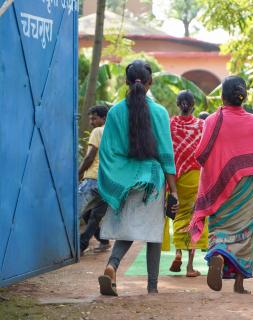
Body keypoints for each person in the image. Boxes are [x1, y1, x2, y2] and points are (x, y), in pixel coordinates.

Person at [189, 76, 253, 294]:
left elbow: (201, 154)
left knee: (219, 228)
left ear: (222, 96)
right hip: (246, 187)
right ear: (244, 96)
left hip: (219, 185)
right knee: (245, 231)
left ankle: (219, 254)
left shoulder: (212, 120)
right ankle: (239, 283)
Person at [97, 60, 178, 296]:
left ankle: (112, 265)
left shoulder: (114, 112)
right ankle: (152, 287)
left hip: (124, 180)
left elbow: (107, 152)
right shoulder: (160, 112)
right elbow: (166, 154)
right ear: (150, 82)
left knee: (127, 229)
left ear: (126, 81)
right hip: (152, 179)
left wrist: (115, 178)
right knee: (153, 233)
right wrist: (173, 191)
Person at [166, 91, 208, 277]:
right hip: (195, 176)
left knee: (178, 214)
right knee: (195, 217)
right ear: (194, 106)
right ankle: (190, 267)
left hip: (175, 177)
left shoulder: (170, 124)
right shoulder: (201, 125)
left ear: (177, 105)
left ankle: (177, 252)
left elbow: (165, 151)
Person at [77, 105, 111, 255]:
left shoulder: (98, 131)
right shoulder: (115, 133)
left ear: (104, 118)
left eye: (94, 118)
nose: (91, 121)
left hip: (93, 179)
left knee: (74, 212)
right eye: (90, 118)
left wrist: (78, 173)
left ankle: (68, 249)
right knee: (94, 216)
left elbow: (90, 156)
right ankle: (84, 244)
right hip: (108, 182)